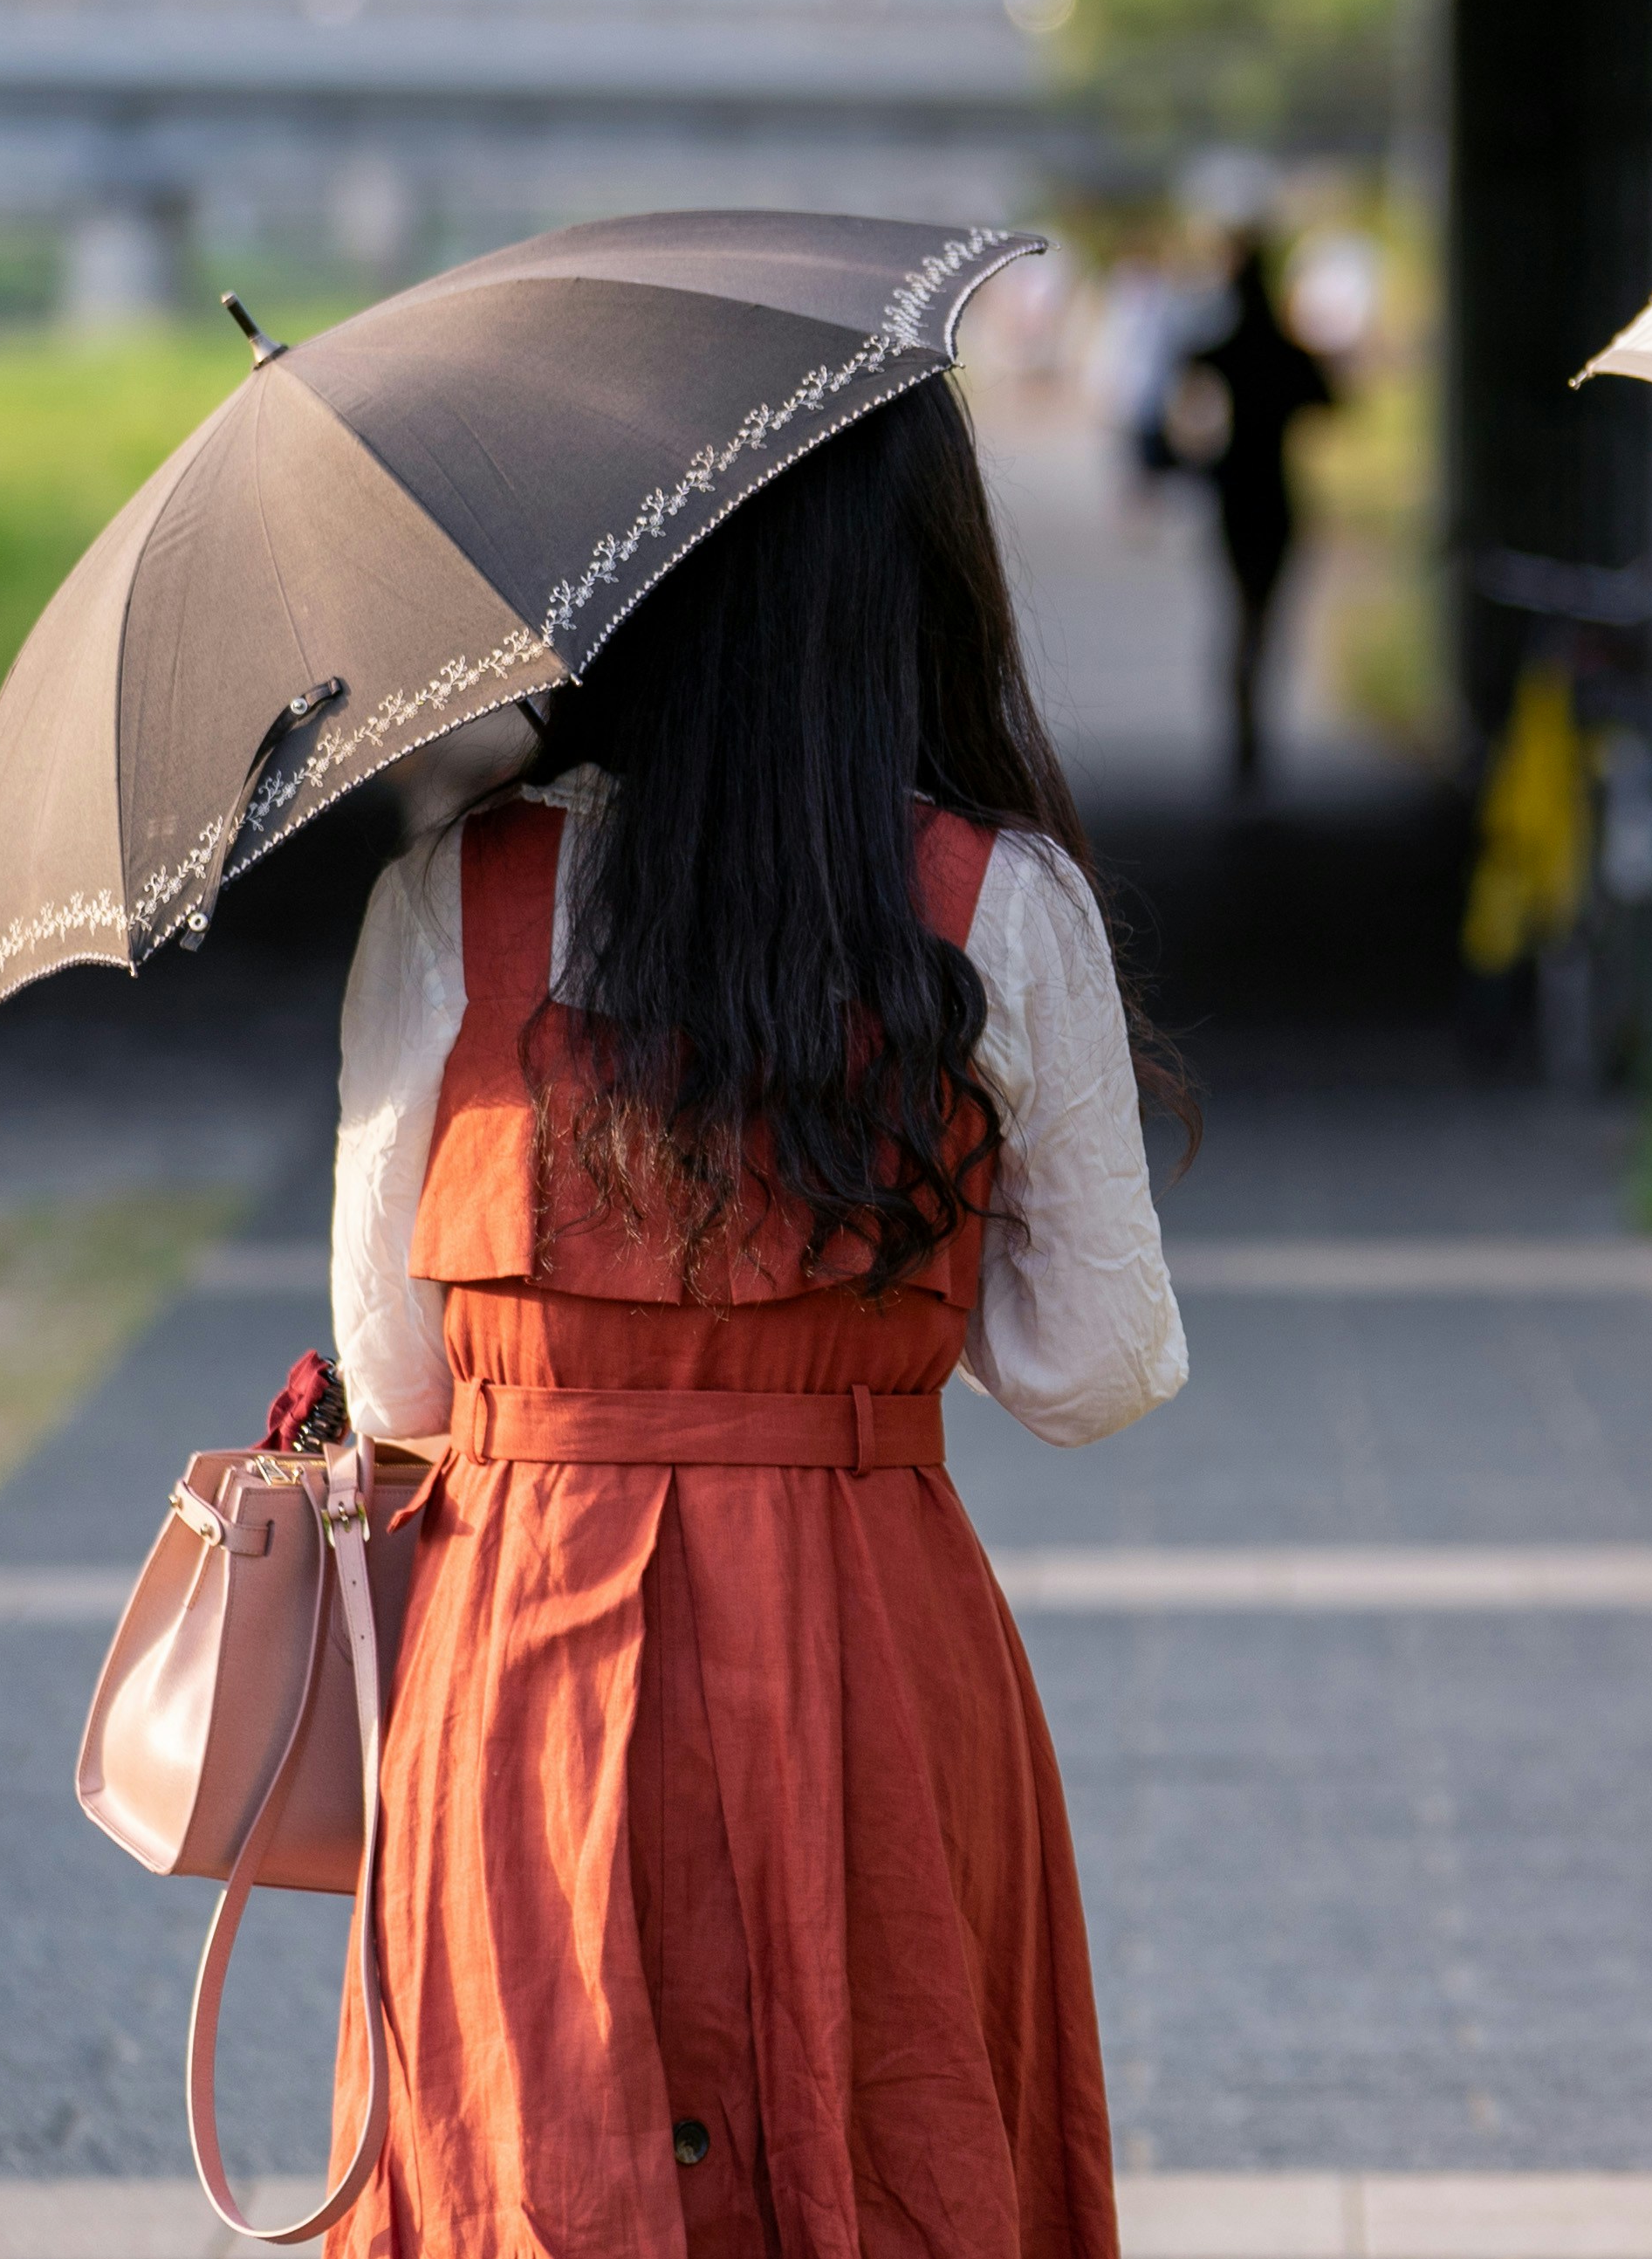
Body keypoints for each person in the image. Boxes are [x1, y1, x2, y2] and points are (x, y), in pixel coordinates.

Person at [323, 377, 1185, 2259]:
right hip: (871, 1652)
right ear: (914, 578)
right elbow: (1093, 1367)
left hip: (518, 1666)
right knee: (887, 2158)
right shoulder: (992, 900)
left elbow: (391, 1373)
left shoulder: (444, 903)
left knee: (531, 2164)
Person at [1178, 230, 1333, 793]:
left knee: (1243, 615)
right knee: (1263, 618)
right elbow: (1331, 400)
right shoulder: (1283, 350)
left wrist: (1192, 449)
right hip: (1275, 494)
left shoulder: (1229, 348)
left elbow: (1180, 382)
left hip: (1237, 492)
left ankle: (1245, 737)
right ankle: (1251, 737)